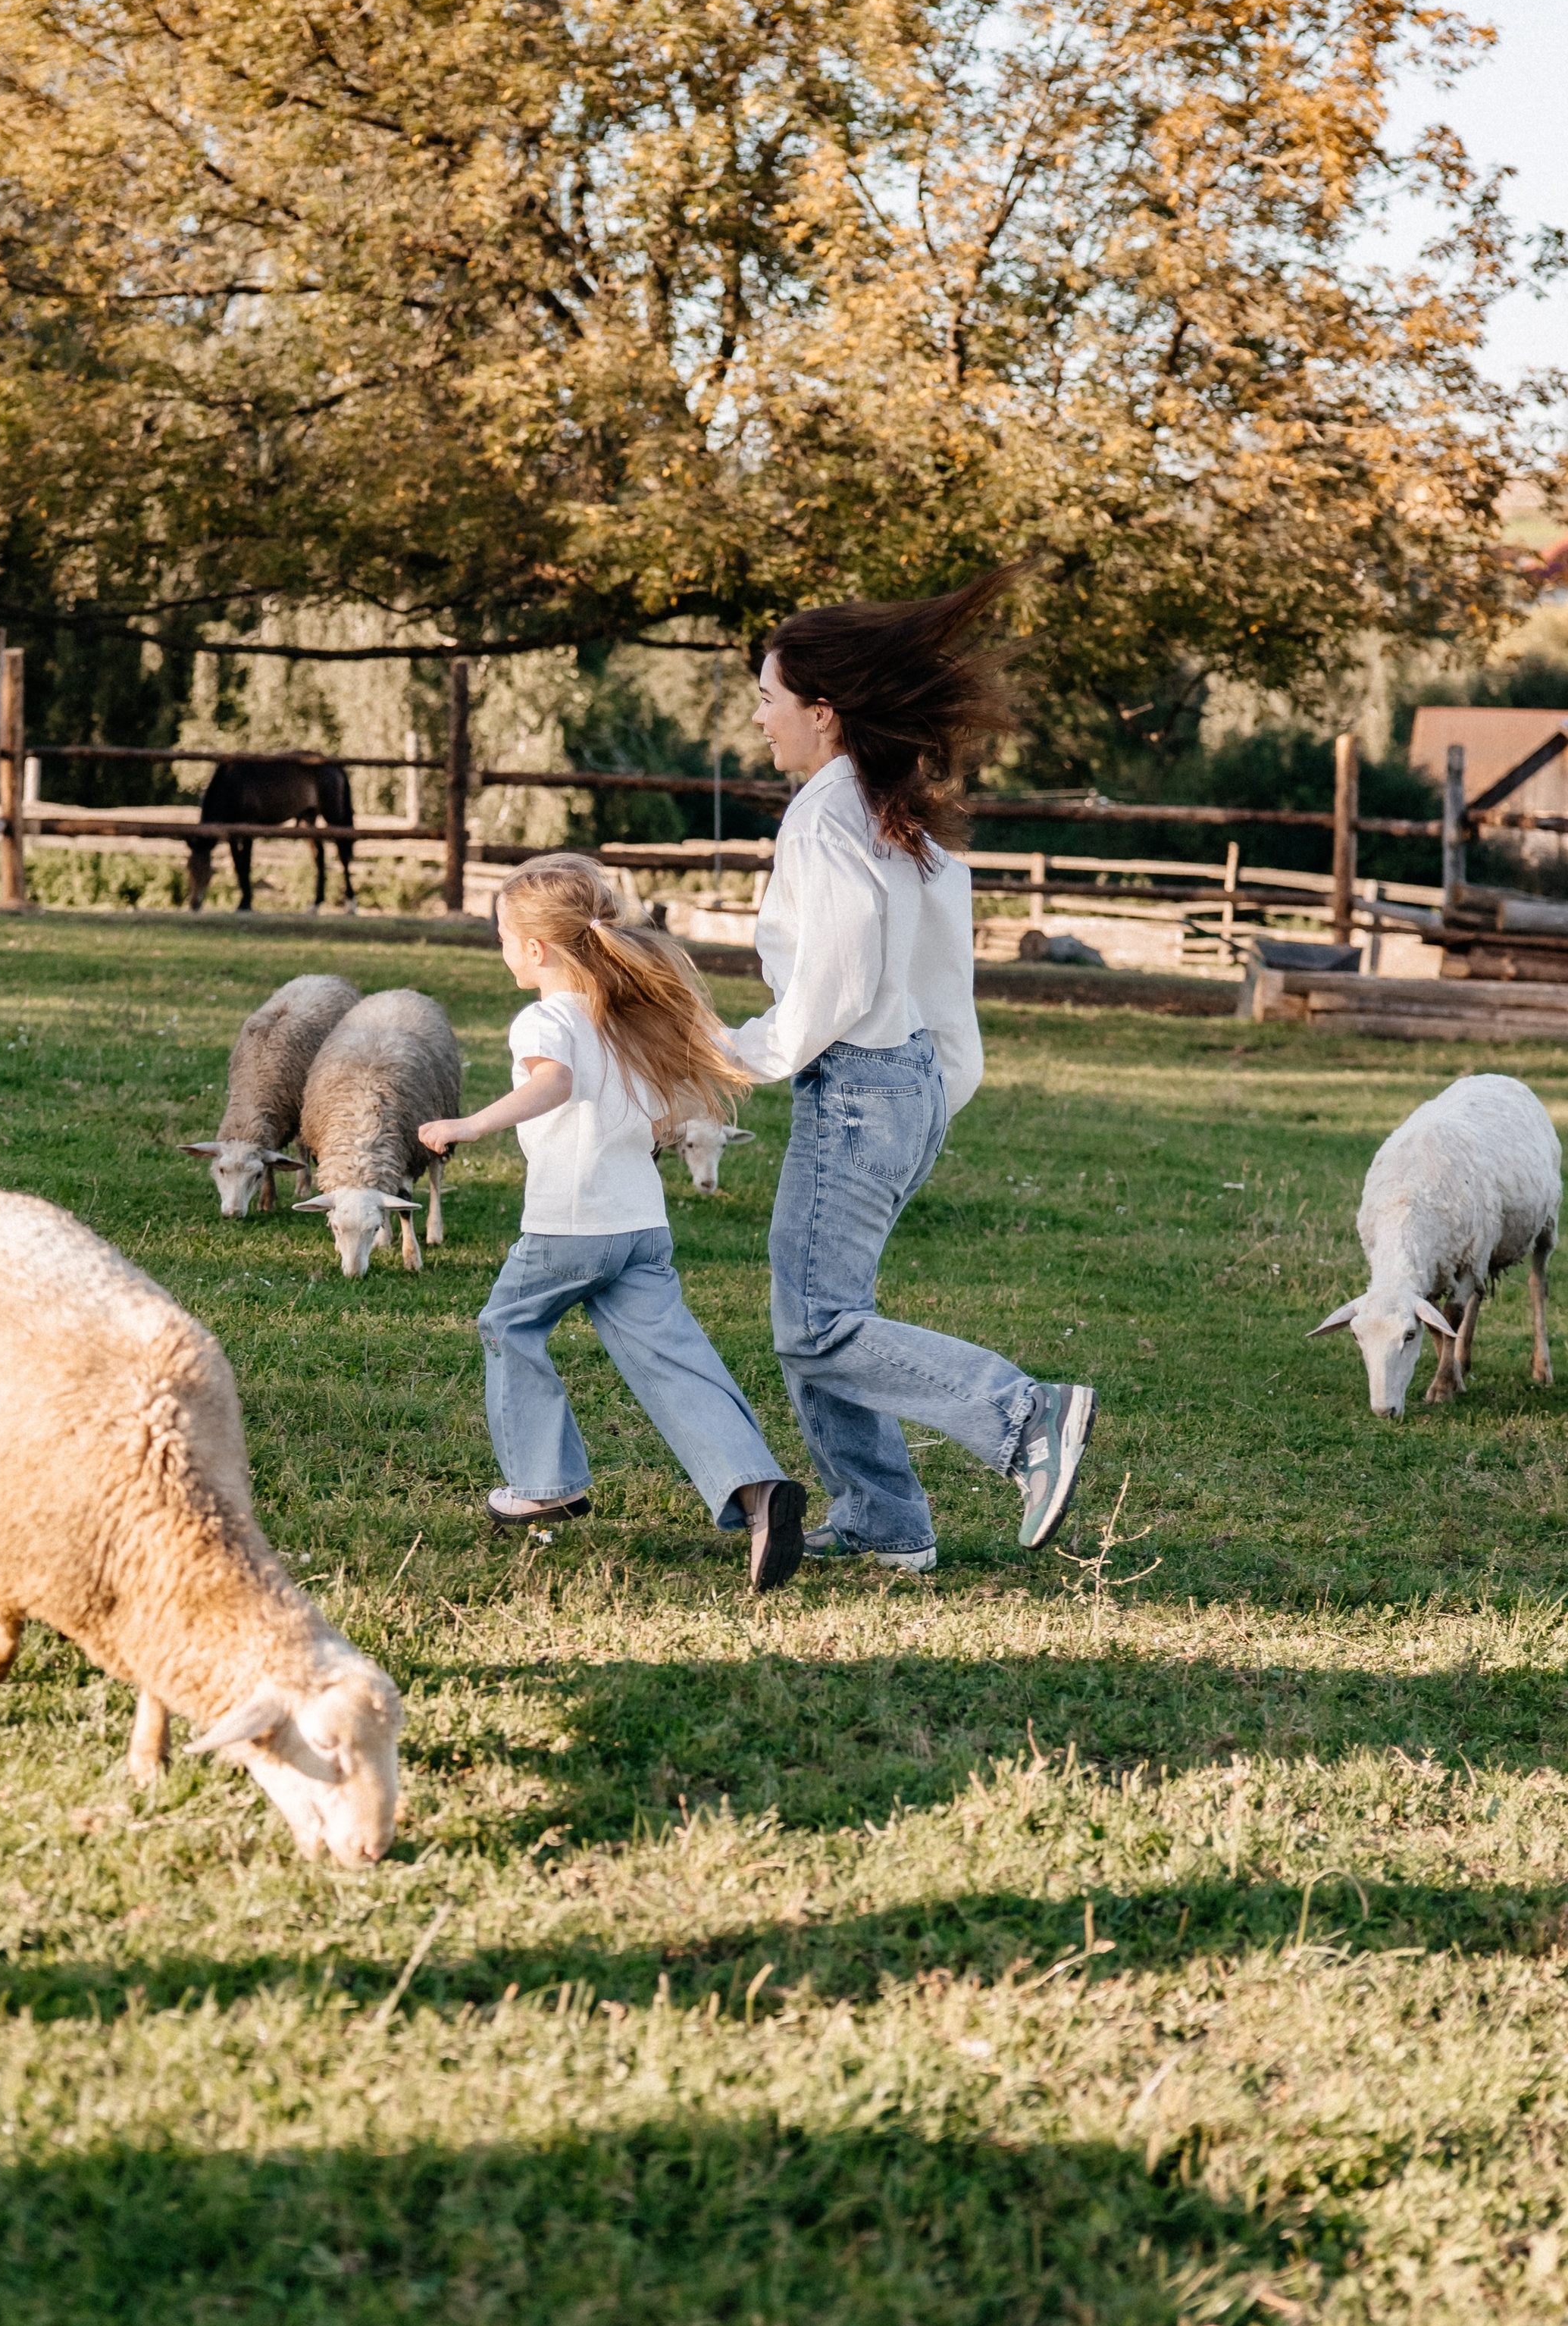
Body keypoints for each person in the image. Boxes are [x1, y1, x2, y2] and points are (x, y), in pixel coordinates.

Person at [725, 571, 1096, 1575]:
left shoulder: (826, 815)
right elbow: (935, 962)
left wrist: (747, 1051)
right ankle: (884, 1517)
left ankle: (1022, 1416)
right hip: (904, 1081)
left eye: (767, 698)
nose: (758, 718)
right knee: (814, 1310)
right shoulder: (890, 808)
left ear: (822, 711)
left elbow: (840, 978)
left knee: (816, 1322)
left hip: (858, 1088)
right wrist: (938, 1081)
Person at [419, 856, 807, 1593]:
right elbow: (658, 1113)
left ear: (536, 949)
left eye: (503, 939)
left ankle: (542, 1485)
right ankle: (758, 1491)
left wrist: (470, 1124)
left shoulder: (547, 1018)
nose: (503, 951)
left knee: (509, 1324)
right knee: (673, 1360)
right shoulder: (624, 1018)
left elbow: (554, 1082)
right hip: (640, 1226)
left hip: (571, 1226)